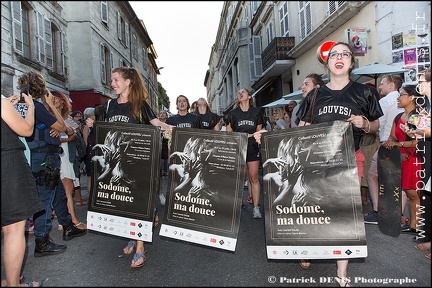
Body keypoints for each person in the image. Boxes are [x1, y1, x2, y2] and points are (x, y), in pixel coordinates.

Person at [295, 42, 383, 286]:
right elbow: (302, 128)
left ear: (352, 63)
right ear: (327, 63)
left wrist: (365, 124)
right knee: (316, 209)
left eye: (346, 54)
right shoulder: (315, 95)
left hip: (350, 158)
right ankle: (312, 248)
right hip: (317, 161)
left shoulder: (365, 92)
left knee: (345, 214)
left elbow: (376, 126)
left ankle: (341, 272)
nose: (340, 57)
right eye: (335, 54)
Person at [86, 66, 173, 269]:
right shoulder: (108, 107)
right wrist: (93, 124)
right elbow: (103, 130)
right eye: (112, 80)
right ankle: (132, 236)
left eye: (116, 80)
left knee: (138, 203)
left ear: (128, 82)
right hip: (116, 164)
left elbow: (156, 123)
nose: (112, 83)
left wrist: (171, 128)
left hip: (138, 162)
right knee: (123, 203)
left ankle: (140, 247)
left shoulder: (140, 105)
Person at [21, 71, 87, 258]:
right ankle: (41, 242)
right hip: (45, 158)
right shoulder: (37, 106)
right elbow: (62, 127)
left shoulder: (23, 105)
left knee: (57, 193)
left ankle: (67, 226)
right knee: (45, 199)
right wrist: (50, 104)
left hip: (41, 156)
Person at [1, 93, 44, 287]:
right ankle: (13, 284)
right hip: (7, 164)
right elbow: (26, 130)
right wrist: (31, 109)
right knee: (14, 229)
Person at [382, 84, 426, 234]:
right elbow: (393, 136)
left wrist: (398, 144)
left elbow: (419, 140)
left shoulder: (418, 116)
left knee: (415, 193)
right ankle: (414, 225)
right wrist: (390, 142)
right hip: (402, 158)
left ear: (412, 97)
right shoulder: (398, 117)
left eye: (402, 95)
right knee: (409, 192)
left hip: (415, 158)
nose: (398, 98)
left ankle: (420, 226)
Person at [363, 75, 404, 224]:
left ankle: (377, 211)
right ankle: (395, 214)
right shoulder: (402, 99)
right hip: (401, 145)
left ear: (391, 85)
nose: (380, 87)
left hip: (386, 144)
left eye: (382, 84)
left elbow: (376, 124)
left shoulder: (384, 101)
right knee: (395, 180)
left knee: (373, 176)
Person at [50, 90, 87, 230]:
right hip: (58, 155)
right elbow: (54, 138)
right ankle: (73, 221)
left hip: (67, 155)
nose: (54, 100)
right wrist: (69, 137)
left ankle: (64, 221)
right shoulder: (50, 117)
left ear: (62, 100)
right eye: (51, 98)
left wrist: (71, 136)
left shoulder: (66, 117)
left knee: (67, 190)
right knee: (66, 190)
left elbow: (75, 134)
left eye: (56, 98)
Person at [226, 88, 264, 219]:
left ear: (249, 96)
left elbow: (259, 131)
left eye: (243, 92)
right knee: (239, 178)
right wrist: (245, 136)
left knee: (253, 177)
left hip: (253, 147)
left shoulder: (256, 112)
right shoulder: (233, 113)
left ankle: (256, 207)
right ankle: (239, 202)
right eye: (238, 92)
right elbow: (229, 132)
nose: (240, 93)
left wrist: (251, 136)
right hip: (238, 147)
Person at [408, 68, 431, 260]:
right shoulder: (426, 106)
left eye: (421, 80)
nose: (418, 84)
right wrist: (415, 132)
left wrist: (424, 130)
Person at [82, 107, 95, 193]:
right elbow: (85, 141)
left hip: (92, 153)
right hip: (89, 154)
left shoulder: (92, 125)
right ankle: (91, 196)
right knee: (90, 176)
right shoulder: (87, 127)